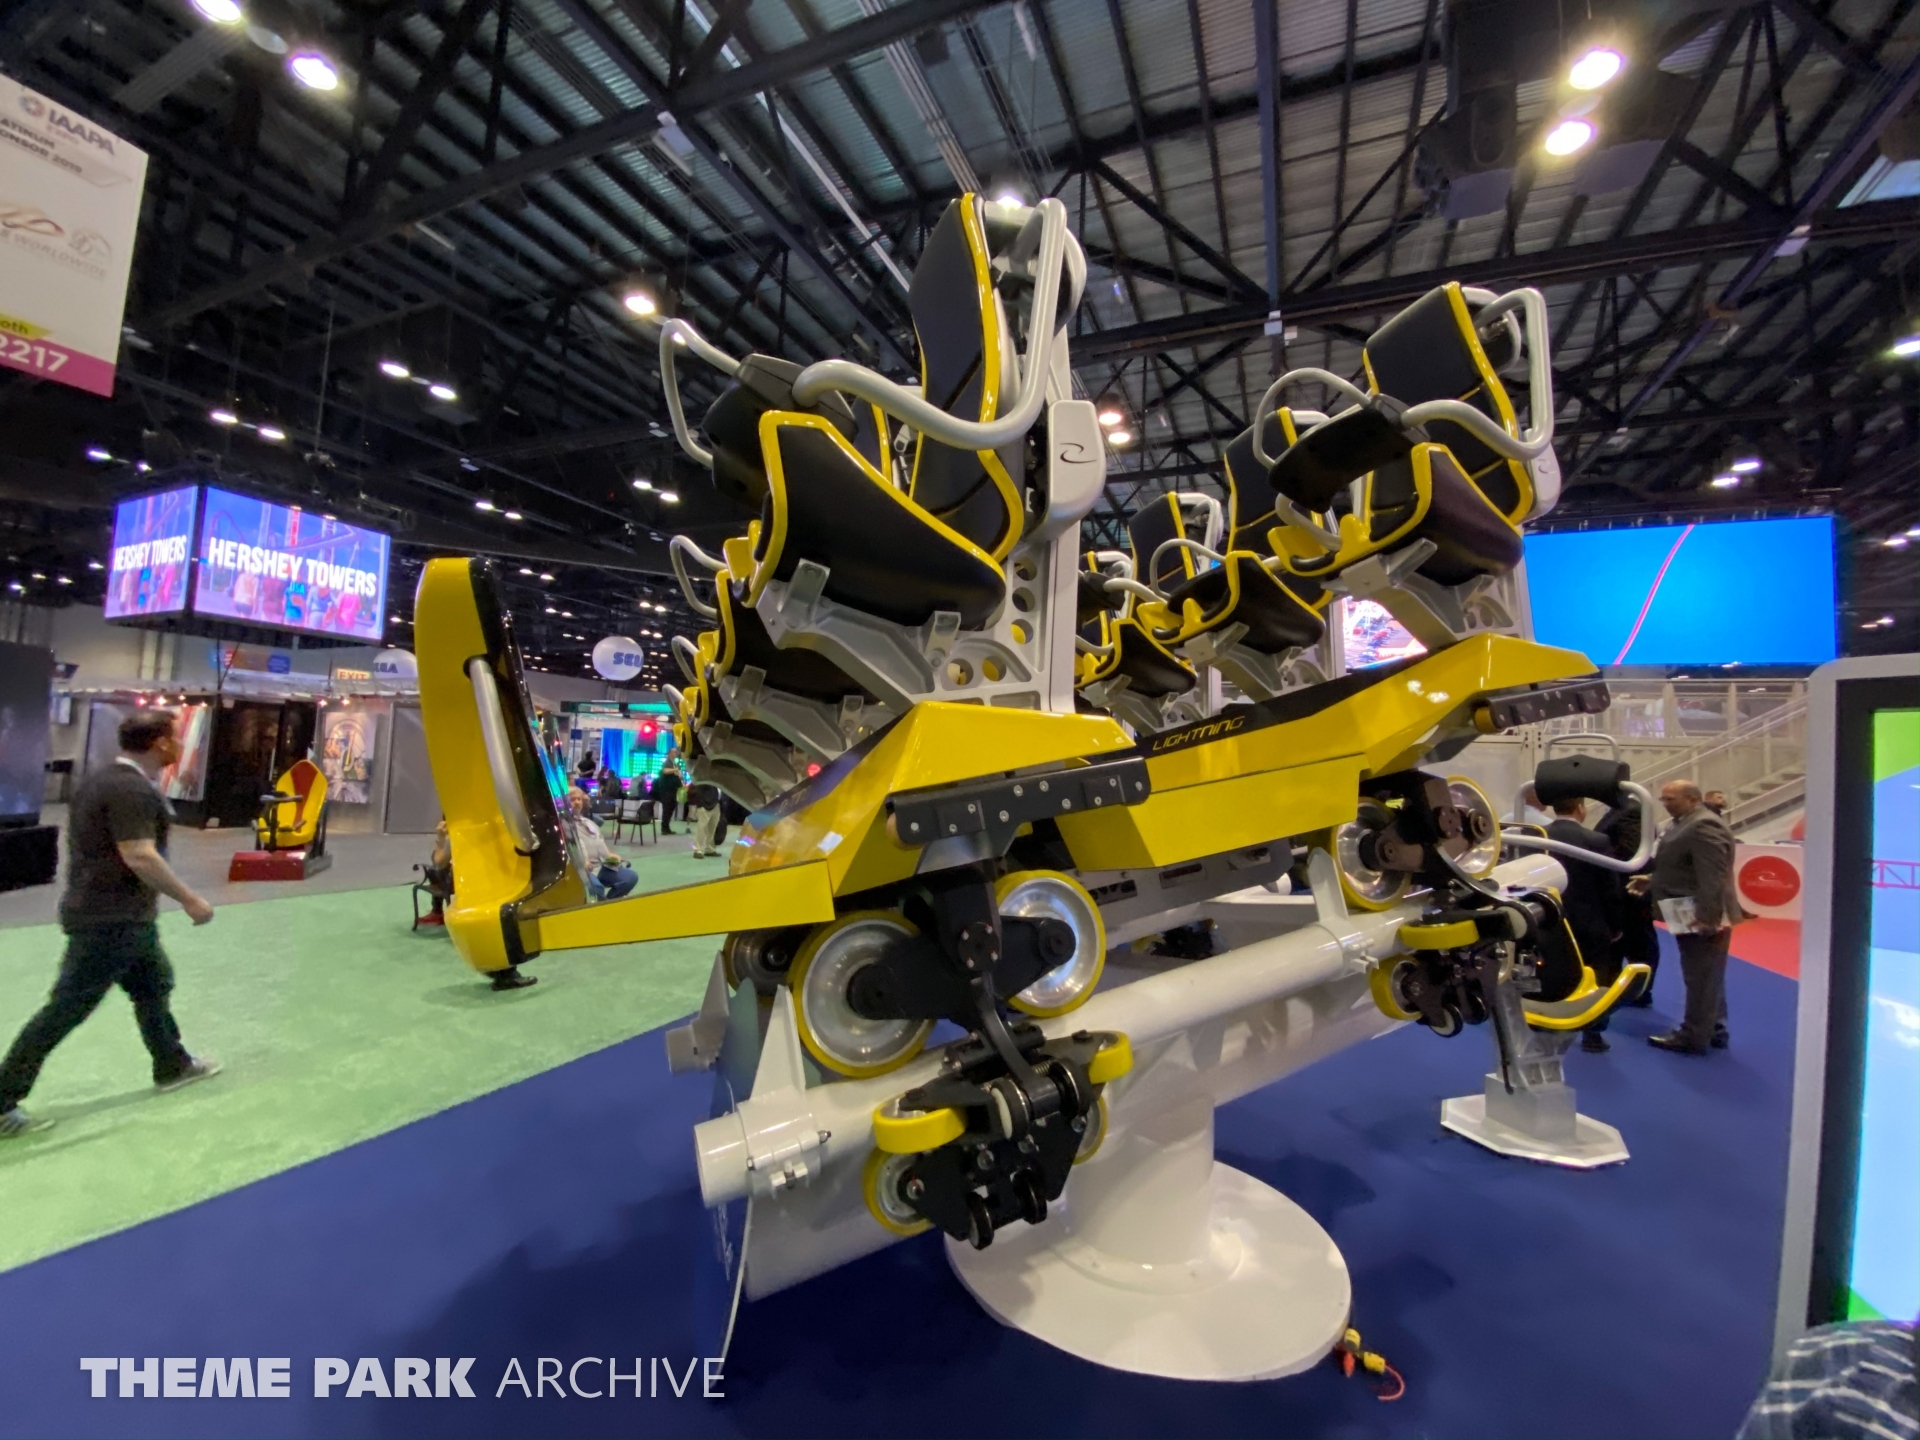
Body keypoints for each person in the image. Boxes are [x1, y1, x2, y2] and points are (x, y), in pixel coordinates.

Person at [0, 712, 221, 1138]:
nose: (179, 746)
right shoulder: (128, 789)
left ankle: (172, 1063)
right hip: (109, 920)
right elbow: (139, 854)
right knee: (67, 1007)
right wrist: (189, 899)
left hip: (128, 917)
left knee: (154, 984)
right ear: (160, 743)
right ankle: (2, 1098)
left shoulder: (104, 781)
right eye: (174, 738)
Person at [1629, 778, 1746, 1055]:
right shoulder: (1685, 822)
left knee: (1700, 977)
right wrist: (1653, 880)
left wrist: (1708, 917)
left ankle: (1693, 1036)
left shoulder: (1703, 825)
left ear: (1692, 799)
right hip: (1689, 910)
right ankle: (1713, 1027)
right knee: (1707, 975)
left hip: (1700, 914)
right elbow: (1684, 867)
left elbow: (1713, 876)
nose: (1665, 804)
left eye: (1671, 799)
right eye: (1664, 799)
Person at [1546, 797, 1624, 1053]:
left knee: (1552, 970)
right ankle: (1593, 1033)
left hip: (1549, 919)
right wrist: (1615, 925)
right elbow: (1609, 887)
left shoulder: (1537, 835)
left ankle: (1550, 1022)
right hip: (1590, 921)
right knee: (1596, 975)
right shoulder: (1596, 840)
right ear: (1580, 808)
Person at [1597, 793, 1658, 1005]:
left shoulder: (1631, 811)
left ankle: (1640, 992)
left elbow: (1634, 854)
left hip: (1630, 889)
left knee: (1638, 942)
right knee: (1621, 942)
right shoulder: (1621, 810)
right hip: (1621, 889)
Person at [566, 789, 638, 899]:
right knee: (596, 888)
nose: (577, 802)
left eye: (579, 799)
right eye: (572, 800)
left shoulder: (589, 823)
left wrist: (610, 854)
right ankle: (603, 905)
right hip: (582, 869)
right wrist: (581, 862)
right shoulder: (565, 826)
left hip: (602, 865)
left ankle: (609, 903)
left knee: (630, 877)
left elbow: (599, 841)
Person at [686, 781, 722, 858]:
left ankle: (709, 849)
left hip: (716, 803)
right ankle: (698, 849)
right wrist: (701, 803)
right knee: (702, 828)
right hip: (705, 804)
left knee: (712, 828)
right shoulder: (703, 776)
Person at [649, 760, 683, 836]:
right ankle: (664, 828)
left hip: (672, 794)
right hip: (667, 794)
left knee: (669, 811)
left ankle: (666, 827)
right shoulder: (665, 777)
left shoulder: (671, 776)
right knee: (667, 811)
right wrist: (676, 771)